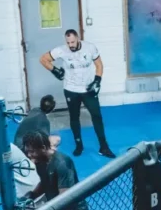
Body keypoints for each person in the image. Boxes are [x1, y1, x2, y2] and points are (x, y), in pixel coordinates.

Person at [40, 29, 115, 158]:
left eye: (73, 42)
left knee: (96, 116)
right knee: (74, 117)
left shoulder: (90, 48)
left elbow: (99, 65)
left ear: (78, 38)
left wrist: (97, 81)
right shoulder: (61, 50)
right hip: (71, 89)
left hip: (88, 89)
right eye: (68, 43)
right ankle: (79, 145)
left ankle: (104, 147)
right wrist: (54, 70)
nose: (71, 45)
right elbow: (43, 59)